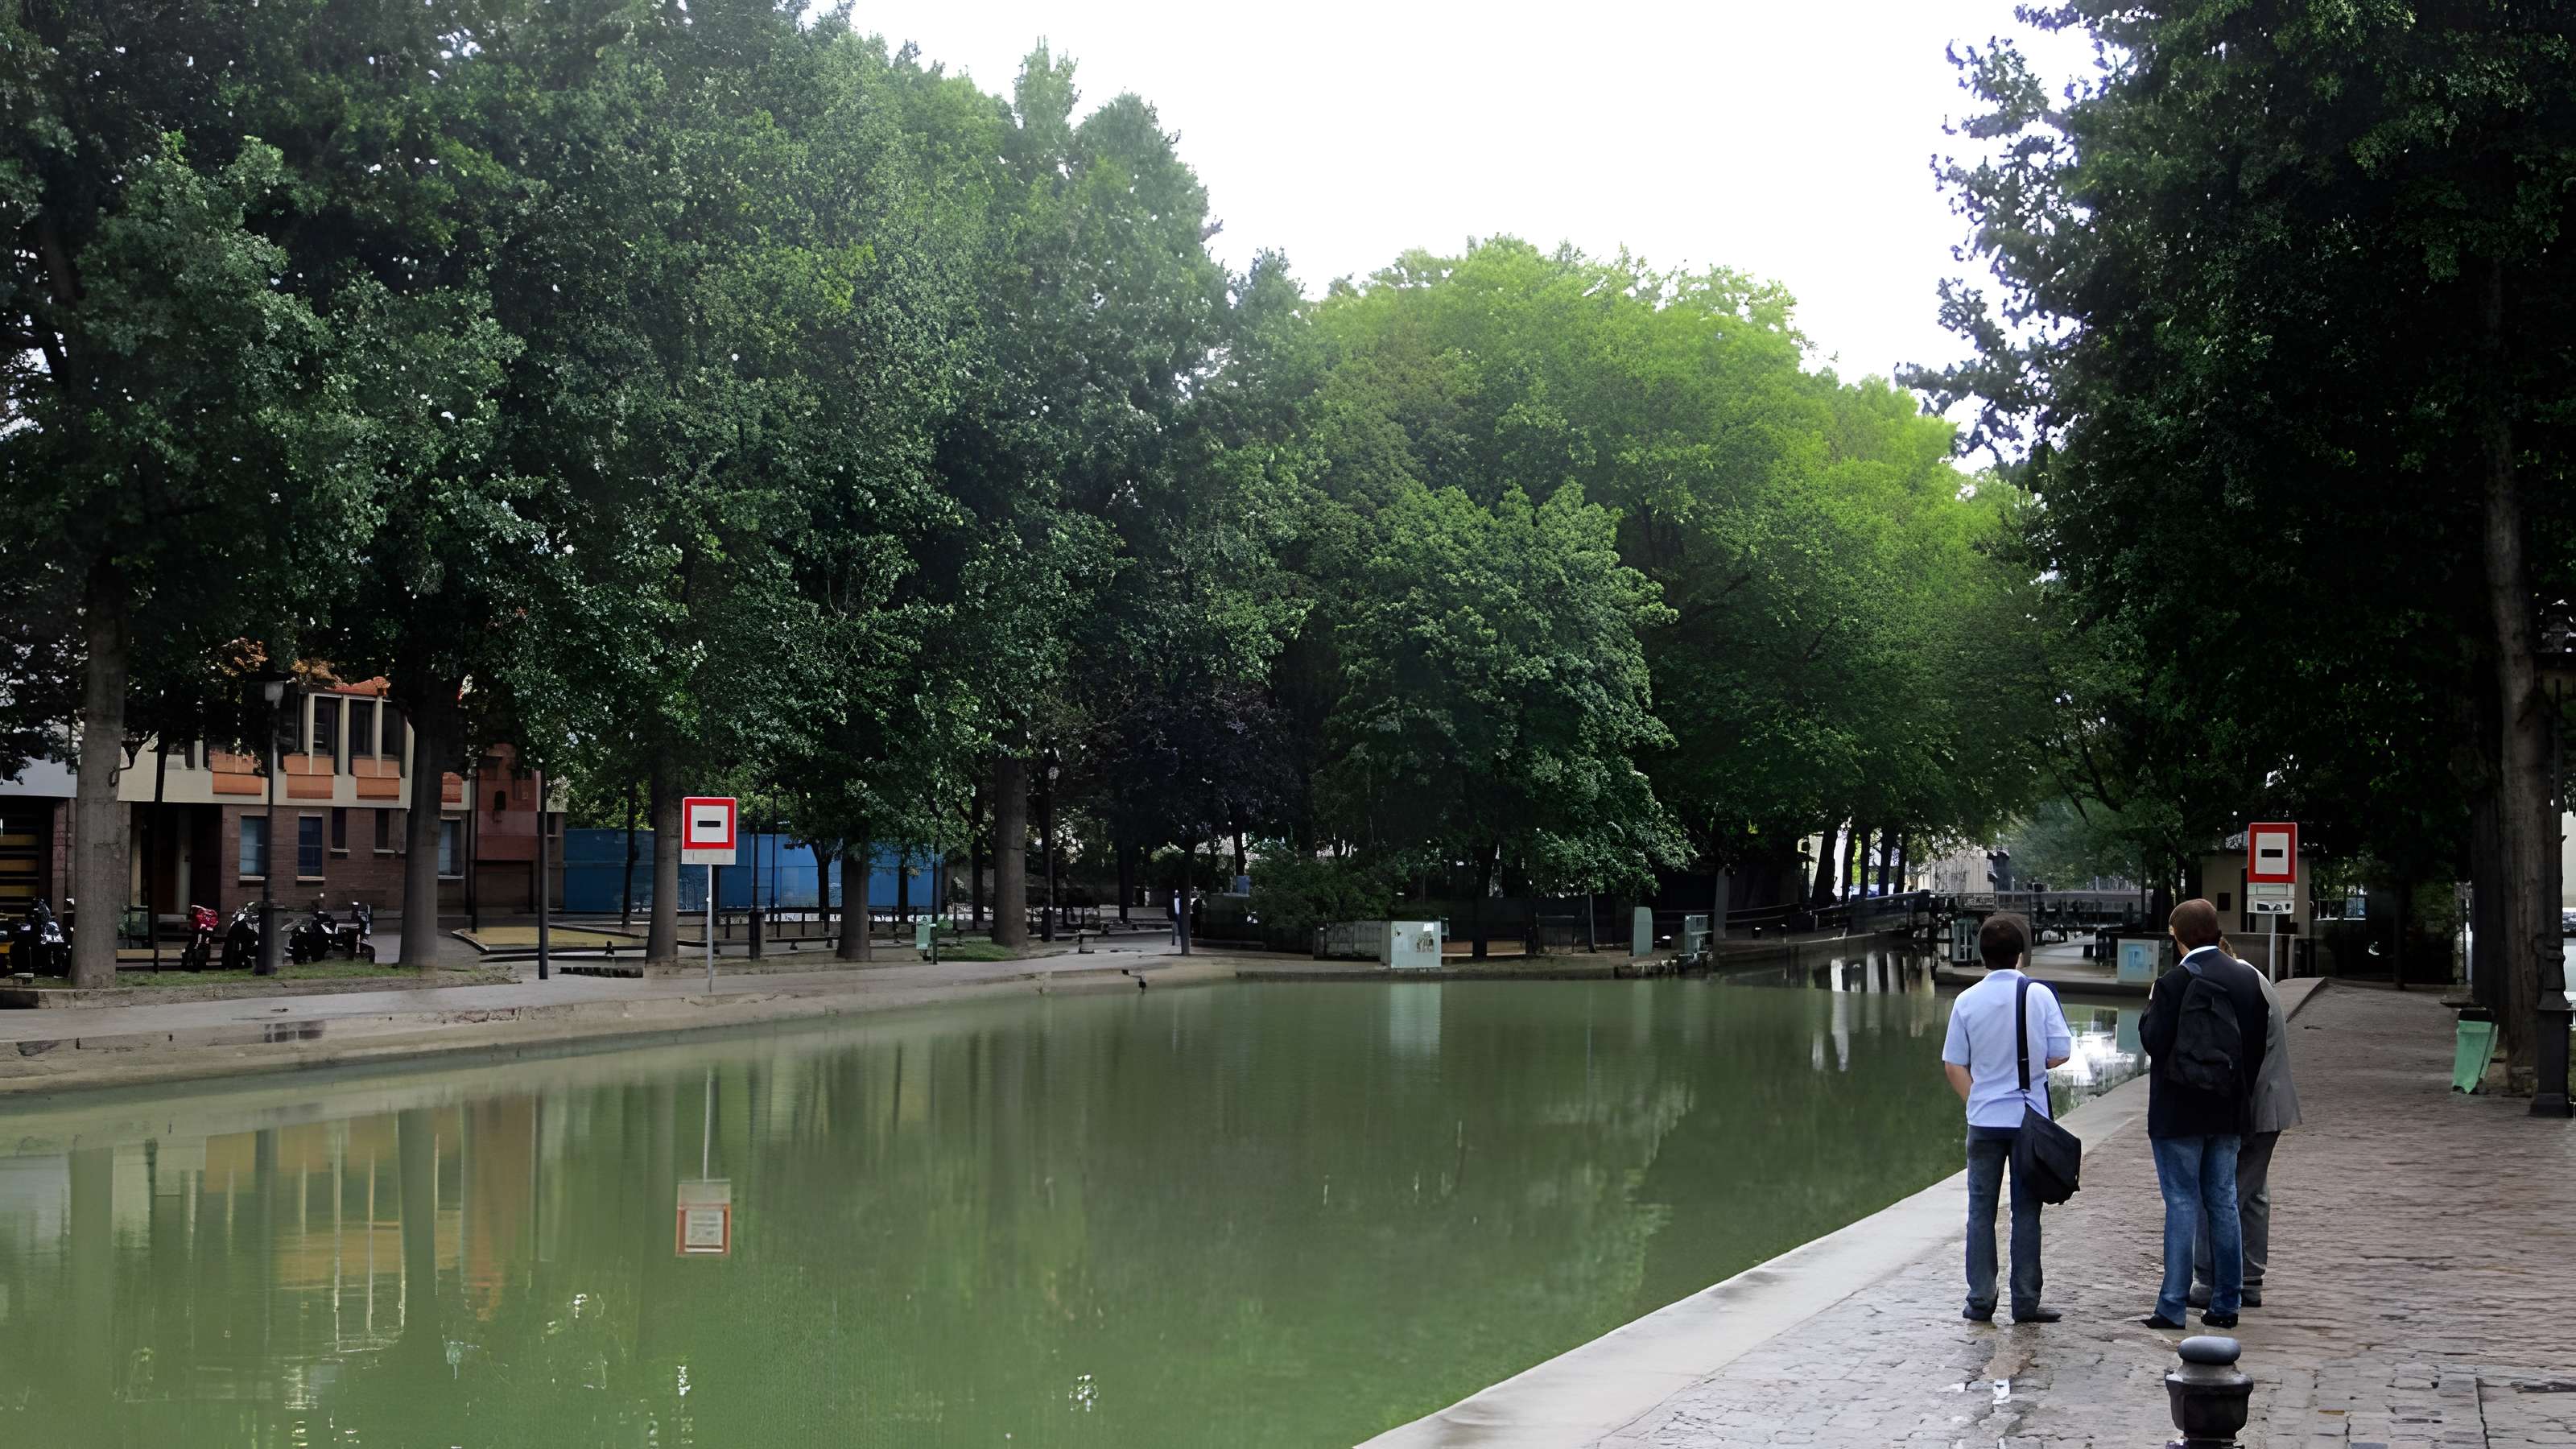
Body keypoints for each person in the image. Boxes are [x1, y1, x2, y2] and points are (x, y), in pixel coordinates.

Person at [2137, 898, 2268, 1330]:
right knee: (2224, 1201)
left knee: (2180, 1203)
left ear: (2177, 938)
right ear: (2216, 931)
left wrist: (2149, 1007)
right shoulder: (2247, 979)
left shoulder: (2173, 983)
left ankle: (2172, 1306)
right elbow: (2254, 1050)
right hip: (2228, 1109)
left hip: (2179, 1112)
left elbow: (2155, 1043)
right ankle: (2226, 1303)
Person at [1940, 912, 2071, 1323]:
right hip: (2027, 1119)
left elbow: (1953, 1064)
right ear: (2020, 955)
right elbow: (2061, 1052)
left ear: (1982, 956)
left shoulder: (1966, 1000)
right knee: (2026, 1210)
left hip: (1984, 1119)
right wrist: (2031, 1066)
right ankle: (2025, 1301)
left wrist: (1975, 1100)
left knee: (1980, 1210)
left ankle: (1980, 1299)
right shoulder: (2039, 995)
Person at [2191, 937, 2299, 1309]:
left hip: (2254, 1107)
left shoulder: (2239, 987)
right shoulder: (2258, 981)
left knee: (2222, 1194)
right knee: (2252, 1194)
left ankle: (2212, 1281)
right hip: (2272, 1103)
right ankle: (2250, 1278)